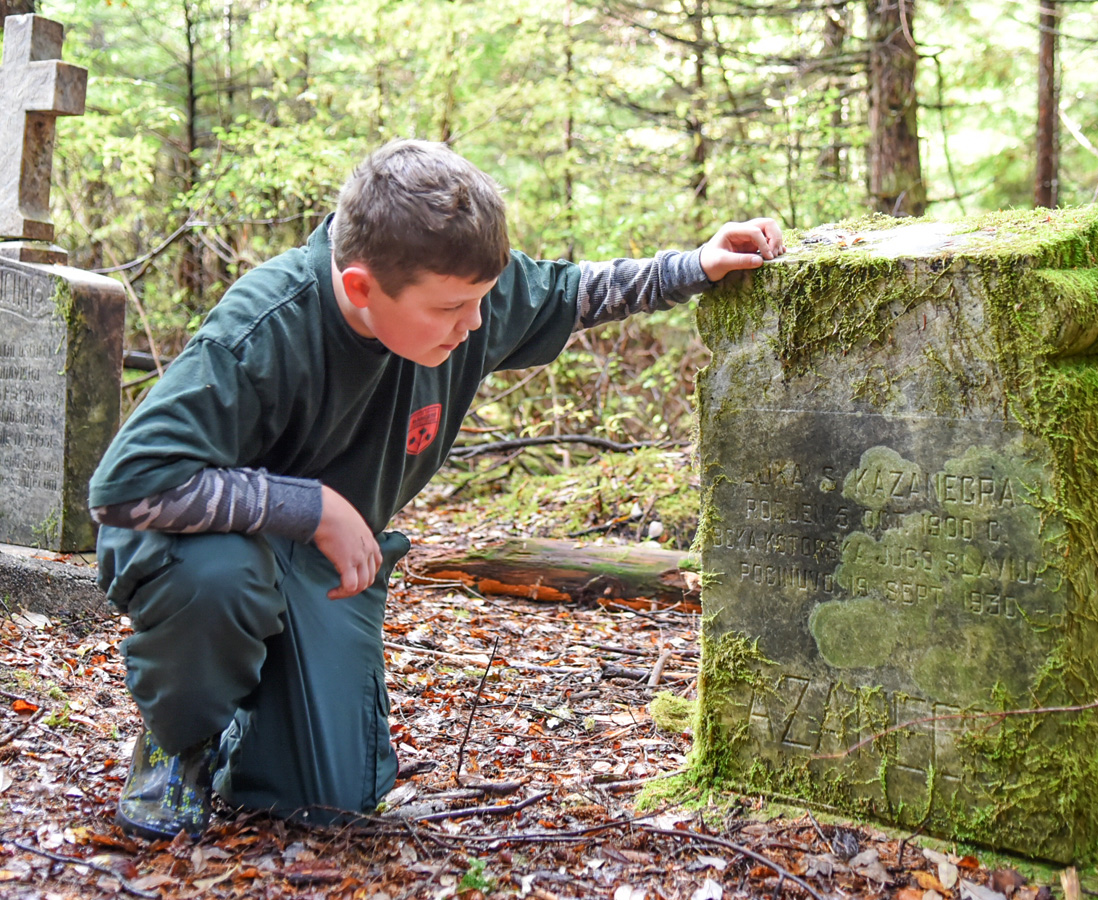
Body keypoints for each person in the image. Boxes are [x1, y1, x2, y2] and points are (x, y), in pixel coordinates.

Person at [88, 138, 785, 841]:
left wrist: (695, 265)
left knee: (329, 801)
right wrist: (313, 505)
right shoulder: (264, 330)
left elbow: (575, 293)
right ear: (361, 287)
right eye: (454, 308)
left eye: (482, 299)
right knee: (222, 579)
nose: (476, 324)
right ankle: (179, 740)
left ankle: (252, 728)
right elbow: (126, 486)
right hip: (209, 549)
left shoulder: (459, 288)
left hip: (327, 566)